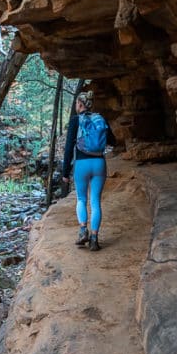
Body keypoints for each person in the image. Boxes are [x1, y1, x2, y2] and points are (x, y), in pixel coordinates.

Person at [61, 91, 116, 251]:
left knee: (81, 199)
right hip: (99, 163)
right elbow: (113, 141)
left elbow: (69, 148)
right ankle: (94, 239)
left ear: (79, 104)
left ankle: (83, 230)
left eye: (76, 104)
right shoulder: (100, 119)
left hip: (82, 164)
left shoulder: (76, 120)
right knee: (95, 202)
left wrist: (65, 173)